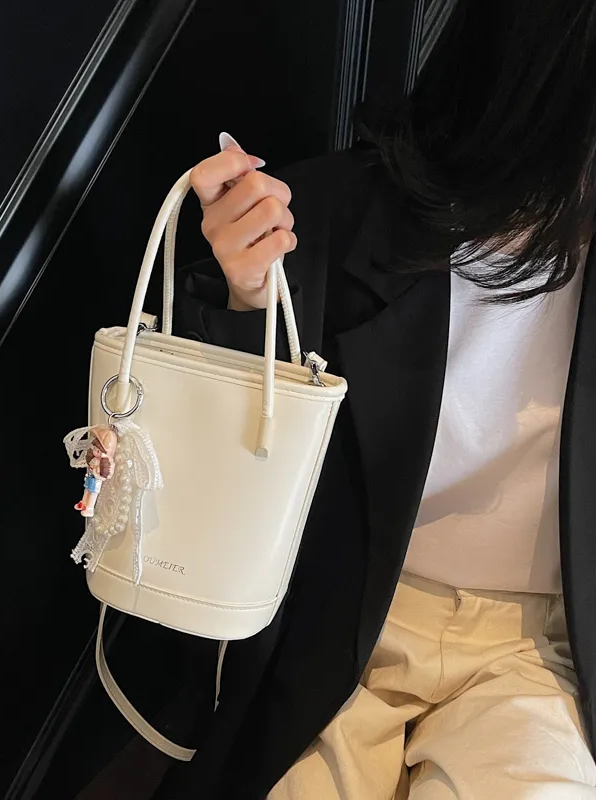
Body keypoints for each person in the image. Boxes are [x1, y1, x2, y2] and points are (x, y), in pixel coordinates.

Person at [152, 0, 596, 798]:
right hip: (348, 624)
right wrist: (247, 296)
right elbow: (228, 463)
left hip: (538, 653)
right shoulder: (337, 211)